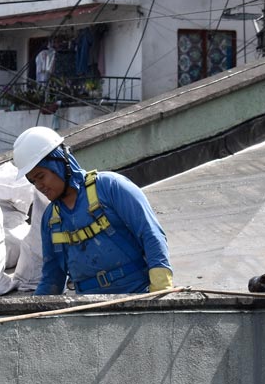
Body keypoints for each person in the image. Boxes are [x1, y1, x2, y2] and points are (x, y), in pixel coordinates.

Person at [13, 126, 173, 295]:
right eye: (33, 182)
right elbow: (52, 278)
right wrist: (35, 311)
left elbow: (150, 234)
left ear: (59, 163)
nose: (39, 186)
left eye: (41, 176)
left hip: (136, 294)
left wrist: (161, 290)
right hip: (88, 307)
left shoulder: (110, 187)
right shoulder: (51, 219)